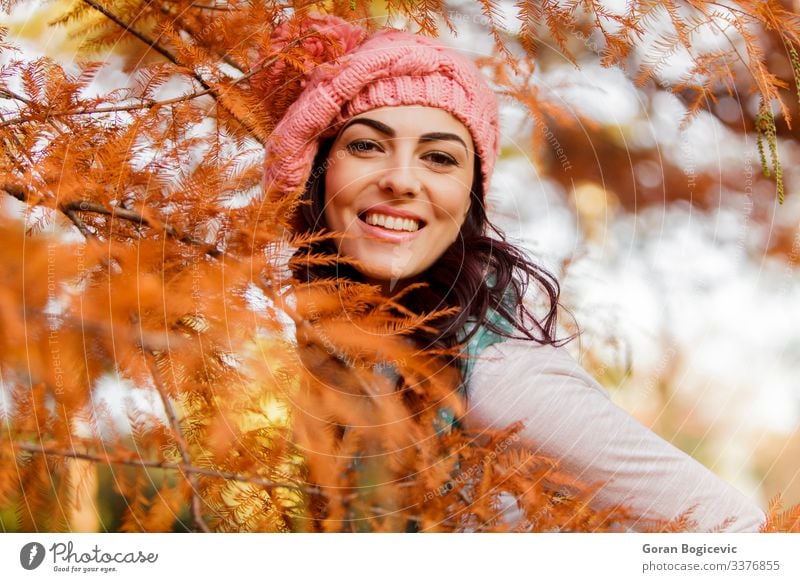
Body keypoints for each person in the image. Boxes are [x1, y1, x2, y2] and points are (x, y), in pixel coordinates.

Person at [261, 14, 765, 532]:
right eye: (367, 145)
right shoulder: (356, 362)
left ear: (469, 198)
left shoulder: (496, 375)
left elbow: (732, 527)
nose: (402, 180)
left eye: (439, 157)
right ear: (317, 172)